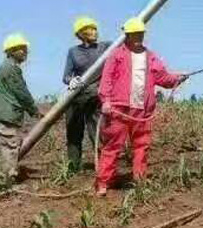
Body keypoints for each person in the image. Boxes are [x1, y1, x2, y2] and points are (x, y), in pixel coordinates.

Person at [96, 17, 187, 195]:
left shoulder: (150, 57)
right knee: (113, 146)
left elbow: (163, 78)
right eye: (134, 34)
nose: (138, 37)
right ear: (127, 36)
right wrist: (105, 100)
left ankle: (139, 182)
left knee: (141, 146)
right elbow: (106, 79)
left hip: (143, 111)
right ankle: (103, 183)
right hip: (119, 108)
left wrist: (177, 78)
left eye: (140, 34)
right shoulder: (116, 55)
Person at [62, 16, 110, 172]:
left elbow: (123, 45)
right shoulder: (73, 52)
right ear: (81, 34)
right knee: (74, 135)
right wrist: (72, 80)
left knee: (98, 132)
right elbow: (66, 76)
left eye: (95, 28)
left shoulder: (105, 47)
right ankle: (73, 168)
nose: (95, 31)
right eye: (90, 29)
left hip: (95, 97)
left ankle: (103, 169)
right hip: (75, 99)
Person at [0, 34, 39, 184]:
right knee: (9, 148)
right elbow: (21, 93)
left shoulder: (2, 68)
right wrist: (34, 110)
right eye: (22, 49)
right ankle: (8, 182)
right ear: (11, 51)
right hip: (7, 115)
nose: (26, 52)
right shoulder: (11, 69)